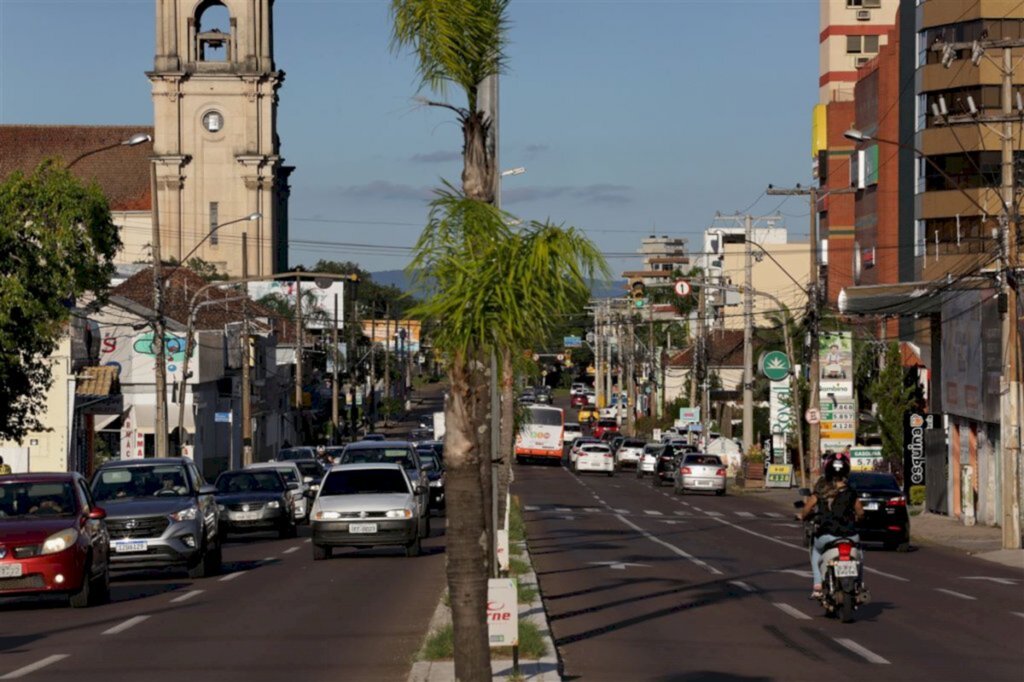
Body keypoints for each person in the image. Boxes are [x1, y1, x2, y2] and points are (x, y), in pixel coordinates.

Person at [797, 451, 864, 598]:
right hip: (850, 535)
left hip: (826, 535)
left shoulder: (821, 491)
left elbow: (807, 508)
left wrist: (801, 516)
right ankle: (859, 583)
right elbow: (860, 512)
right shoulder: (851, 492)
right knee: (859, 553)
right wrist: (858, 518)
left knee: (815, 551)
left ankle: (817, 584)